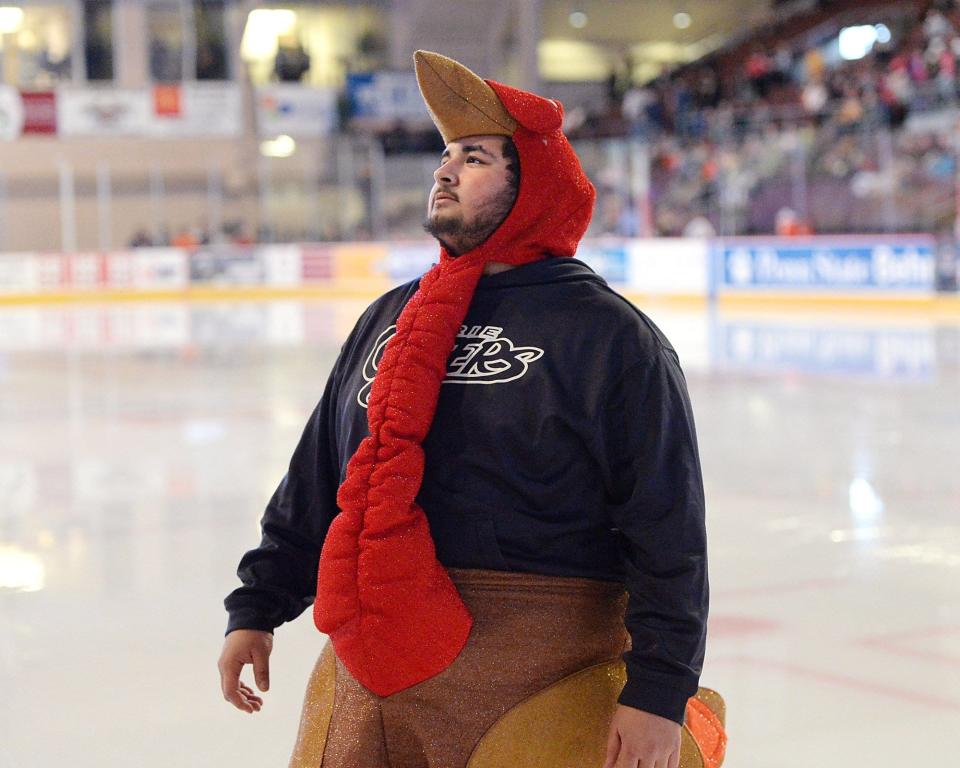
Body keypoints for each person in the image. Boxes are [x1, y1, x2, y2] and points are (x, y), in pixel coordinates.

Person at [219, 51, 723, 768]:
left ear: (534, 187)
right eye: (447, 154)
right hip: (373, 673)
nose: (444, 170)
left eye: (476, 157)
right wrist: (258, 606)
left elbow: (668, 529)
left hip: (539, 672)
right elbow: (318, 481)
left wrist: (660, 692)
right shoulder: (390, 319)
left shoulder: (610, 337)